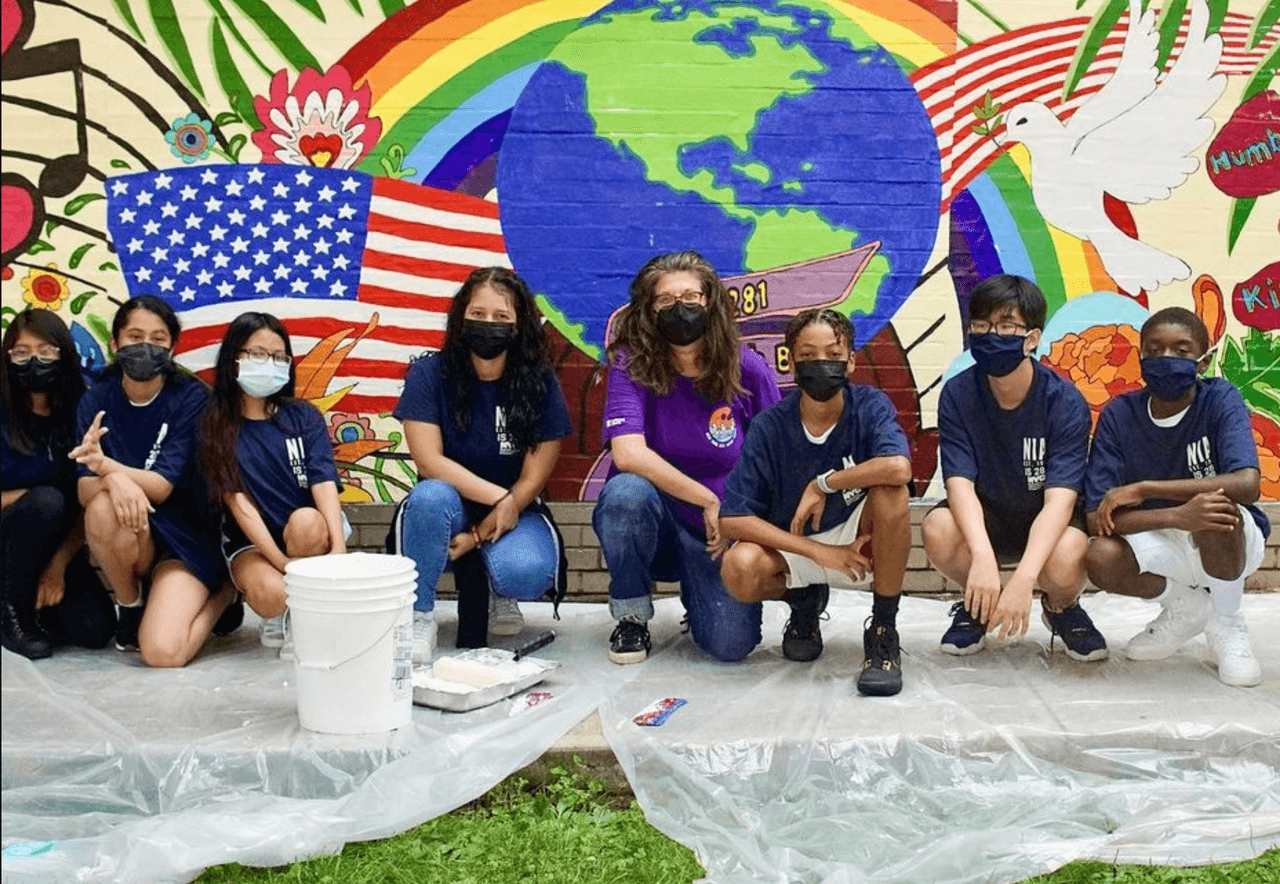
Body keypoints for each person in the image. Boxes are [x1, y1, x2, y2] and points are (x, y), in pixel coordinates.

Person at [592, 250, 781, 665]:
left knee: (730, 646)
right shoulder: (631, 365)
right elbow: (628, 454)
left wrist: (739, 519)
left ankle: (699, 595)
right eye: (666, 301)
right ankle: (631, 615)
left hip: (716, 535)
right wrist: (708, 499)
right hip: (655, 520)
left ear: (711, 302)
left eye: (692, 297)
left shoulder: (747, 368)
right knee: (626, 493)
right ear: (648, 310)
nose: (680, 308)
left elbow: (774, 459)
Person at [718, 308, 912, 696]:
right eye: (808, 356)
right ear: (790, 361)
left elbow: (898, 468)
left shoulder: (869, 405)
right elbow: (732, 519)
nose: (821, 364)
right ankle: (803, 603)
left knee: (893, 492)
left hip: (860, 537)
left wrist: (824, 484)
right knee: (739, 569)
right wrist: (819, 553)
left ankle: (882, 631)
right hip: (798, 543)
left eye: (832, 354)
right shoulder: (771, 425)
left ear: (852, 361)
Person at [921, 274, 1105, 661]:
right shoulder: (958, 393)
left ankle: (1061, 608)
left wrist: (1022, 581)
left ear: (1032, 338)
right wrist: (984, 560)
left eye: (1006, 326)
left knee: (1072, 551)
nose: (991, 335)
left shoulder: (1064, 401)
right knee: (937, 528)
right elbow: (959, 484)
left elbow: (1060, 501)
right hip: (988, 518)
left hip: (1044, 521)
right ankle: (977, 605)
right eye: (982, 325)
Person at [390, 267, 571, 658]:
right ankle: (418, 618)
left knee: (526, 571)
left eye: (501, 317)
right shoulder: (428, 374)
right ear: (460, 318)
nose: (488, 325)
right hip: (449, 504)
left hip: (517, 508)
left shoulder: (539, 381)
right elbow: (429, 460)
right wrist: (496, 497)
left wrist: (493, 519)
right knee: (429, 497)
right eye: (478, 314)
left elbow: (533, 478)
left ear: (520, 325)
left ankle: (497, 587)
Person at [1084, 307, 1268, 687]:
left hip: (1229, 540)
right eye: (1155, 350)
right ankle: (1186, 608)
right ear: (1141, 359)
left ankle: (1228, 622)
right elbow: (1097, 516)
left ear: (1204, 361)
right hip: (1163, 535)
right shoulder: (1120, 414)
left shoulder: (1219, 399)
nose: (1167, 359)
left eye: (1182, 351)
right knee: (1099, 555)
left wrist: (1148, 489)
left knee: (1216, 509)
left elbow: (1248, 484)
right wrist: (1176, 516)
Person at [72, 296, 236, 667]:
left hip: (184, 542)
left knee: (162, 654)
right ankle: (130, 604)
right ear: (114, 344)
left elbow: (162, 486)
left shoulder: (191, 398)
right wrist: (116, 482)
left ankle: (224, 594)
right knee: (100, 505)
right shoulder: (96, 399)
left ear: (173, 347)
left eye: (158, 339)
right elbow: (84, 489)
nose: (146, 346)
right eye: (134, 336)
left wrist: (109, 469)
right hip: (133, 535)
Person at [198, 312, 346, 659]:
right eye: (258, 354)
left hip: (307, 532)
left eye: (280, 357)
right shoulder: (215, 425)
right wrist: (282, 563)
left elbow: (323, 482)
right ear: (234, 358)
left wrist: (338, 547)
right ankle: (281, 609)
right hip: (251, 542)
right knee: (273, 593)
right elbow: (239, 506)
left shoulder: (303, 416)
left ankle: (302, 616)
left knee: (308, 522)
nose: (271, 364)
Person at [2, 309, 114, 658]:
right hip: (7, 540)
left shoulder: (82, 409)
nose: (33, 360)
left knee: (96, 631)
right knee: (48, 501)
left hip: (60, 545)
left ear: (64, 354)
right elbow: (48, 503)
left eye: (46, 350)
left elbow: (87, 500)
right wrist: (27, 498)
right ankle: (13, 614)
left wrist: (59, 566)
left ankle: (35, 600)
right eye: (21, 352)